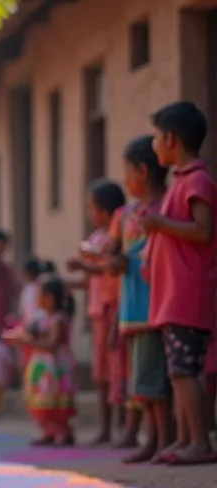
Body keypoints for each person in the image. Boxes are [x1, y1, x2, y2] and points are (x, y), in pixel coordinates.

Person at [141, 101, 217, 465]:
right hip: (172, 295)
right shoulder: (181, 181)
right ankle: (187, 440)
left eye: (156, 137)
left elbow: (203, 232)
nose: (153, 144)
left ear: (171, 138)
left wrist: (158, 226)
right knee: (179, 372)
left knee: (186, 372)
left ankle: (200, 443)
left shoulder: (198, 180)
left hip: (187, 294)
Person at [109, 135, 171, 463]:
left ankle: (162, 439)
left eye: (127, 171)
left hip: (154, 307)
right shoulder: (128, 214)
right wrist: (114, 261)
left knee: (155, 379)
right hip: (132, 309)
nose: (125, 179)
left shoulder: (164, 209)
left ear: (143, 172)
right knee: (143, 380)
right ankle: (153, 439)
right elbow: (121, 257)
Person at [67, 180, 126, 445]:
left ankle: (121, 426)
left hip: (111, 308)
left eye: (92, 208)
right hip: (97, 310)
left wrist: (84, 263)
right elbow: (92, 278)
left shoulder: (113, 237)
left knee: (116, 370)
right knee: (100, 372)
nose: (91, 213)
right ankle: (105, 427)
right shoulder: (95, 237)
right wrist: (71, 282)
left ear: (103, 210)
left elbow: (108, 267)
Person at [7, 275, 77, 446]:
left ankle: (63, 431)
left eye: (39, 294)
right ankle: (49, 431)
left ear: (50, 298)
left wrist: (28, 342)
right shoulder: (42, 317)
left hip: (55, 366)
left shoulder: (58, 319)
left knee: (55, 402)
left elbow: (53, 344)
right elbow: (34, 333)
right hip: (42, 366)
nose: (36, 298)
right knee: (41, 400)